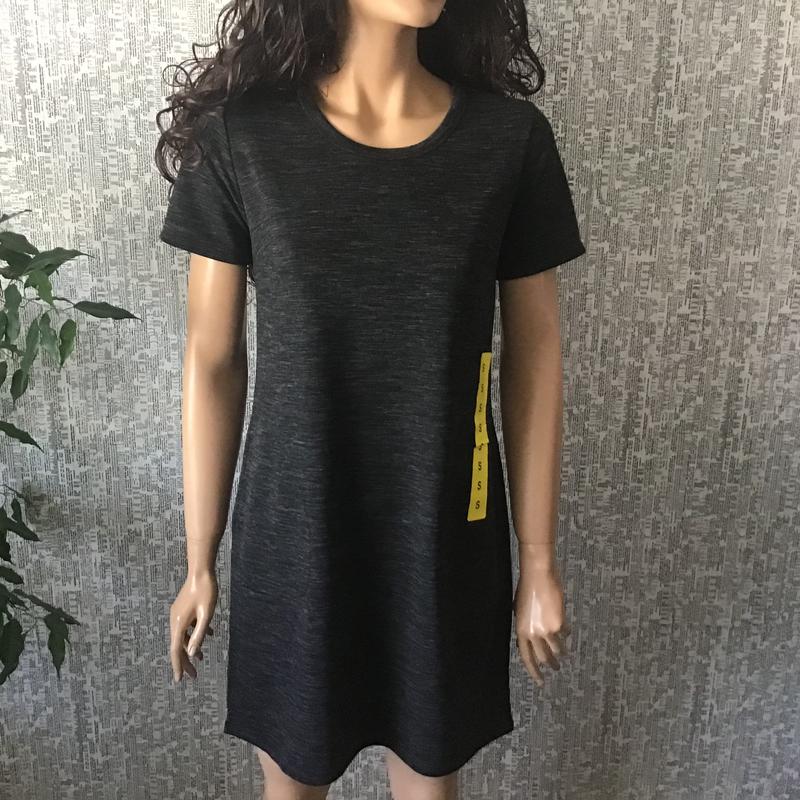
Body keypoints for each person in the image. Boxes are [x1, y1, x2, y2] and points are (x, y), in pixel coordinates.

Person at [155, 1, 585, 798]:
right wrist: (199, 560)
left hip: (446, 531)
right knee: (293, 780)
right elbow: (212, 361)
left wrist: (538, 560)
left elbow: (536, 357)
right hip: (295, 536)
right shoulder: (242, 140)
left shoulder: (508, 142)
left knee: (431, 781)